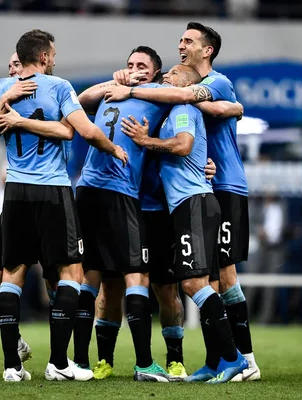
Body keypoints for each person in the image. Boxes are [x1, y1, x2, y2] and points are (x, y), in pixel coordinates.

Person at [103, 21, 261, 381]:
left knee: (221, 276)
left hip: (223, 186)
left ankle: (244, 359)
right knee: (207, 278)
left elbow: (197, 104)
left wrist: (134, 92)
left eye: (188, 41)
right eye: (179, 39)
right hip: (201, 185)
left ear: (207, 50)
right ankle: (218, 360)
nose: (180, 45)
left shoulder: (213, 83)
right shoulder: (173, 101)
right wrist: (130, 80)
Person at [0, 29, 127, 382]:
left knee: (12, 273)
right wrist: (114, 149)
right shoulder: (60, 87)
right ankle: (59, 363)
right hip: (51, 190)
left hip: (15, 190)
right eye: (53, 51)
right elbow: (80, 132)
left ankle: (11, 367)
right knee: (71, 274)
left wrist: (8, 107)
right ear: (45, 56)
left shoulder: (5, 89)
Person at [74, 46, 179, 382]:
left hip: (120, 192)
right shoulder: (112, 89)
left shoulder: (158, 92)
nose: (134, 69)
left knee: (134, 278)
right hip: (101, 190)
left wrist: (131, 87)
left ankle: (140, 361)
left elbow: (187, 95)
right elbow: (78, 100)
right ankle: (85, 363)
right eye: (130, 64)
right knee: (104, 276)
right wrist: (113, 82)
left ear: (156, 74)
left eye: (142, 66)